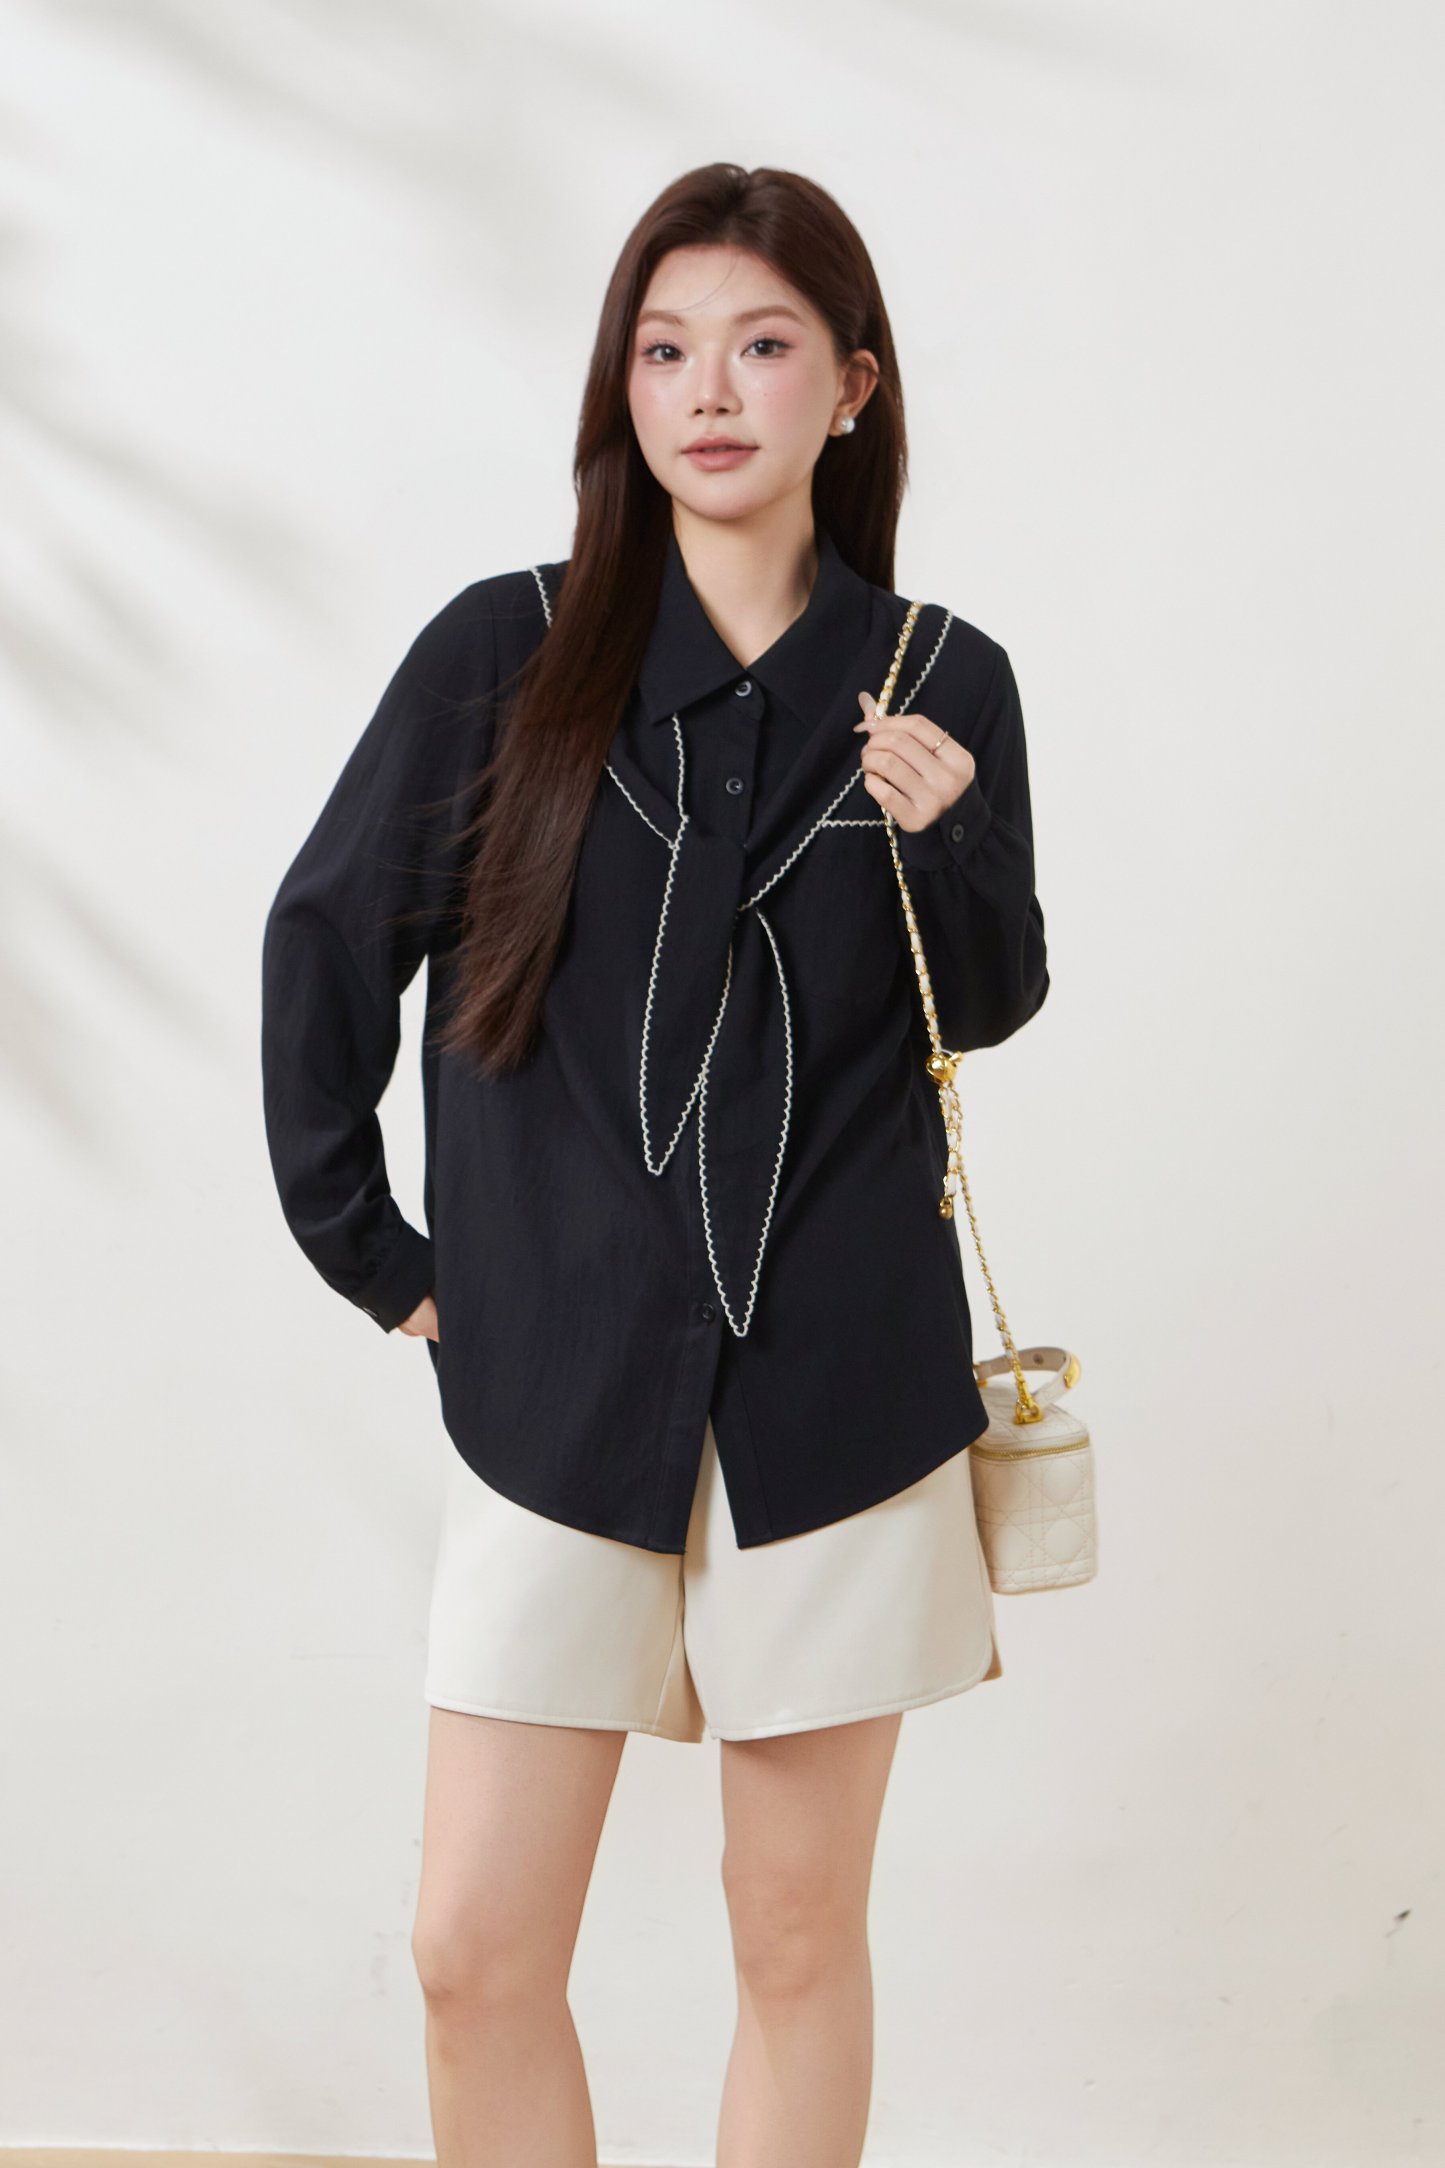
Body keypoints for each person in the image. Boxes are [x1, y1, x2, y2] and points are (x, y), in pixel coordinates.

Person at [261, 161, 1049, 2168]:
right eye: (666, 347)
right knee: (472, 1950)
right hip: (555, 1390)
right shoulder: (502, 654)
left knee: (791, 1934)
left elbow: (986, 1004)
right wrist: (384, 1258)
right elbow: (328, 938)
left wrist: (948, 839)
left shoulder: (939, 675)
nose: (710, 390)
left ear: (851, 386)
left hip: (839, 1400)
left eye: (763, 345)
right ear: (622, 383)